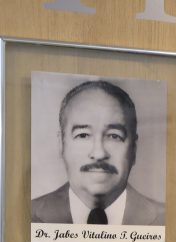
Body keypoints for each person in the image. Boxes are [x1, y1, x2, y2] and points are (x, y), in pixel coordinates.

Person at [31, 80, 165, 226]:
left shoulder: (167, 220)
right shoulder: (25, 216)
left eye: (114, 136)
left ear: (133, 149)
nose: (99, 153)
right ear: (61, 145)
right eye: (83, 135)